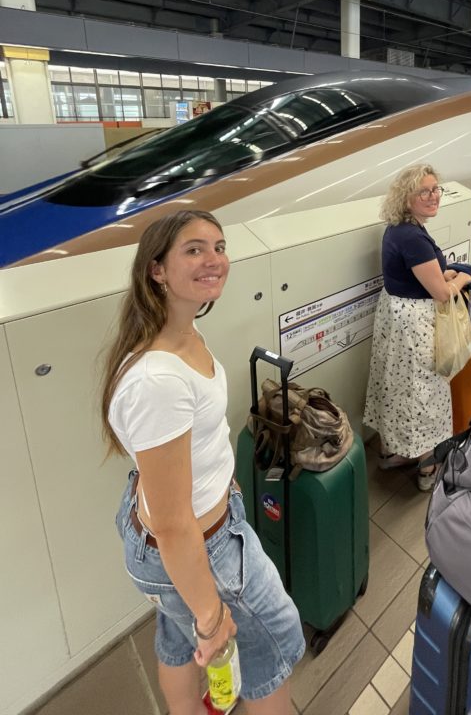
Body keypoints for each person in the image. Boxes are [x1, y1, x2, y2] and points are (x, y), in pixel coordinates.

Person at [102, 210, 304, 715]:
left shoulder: (179, 335)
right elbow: (175, 525)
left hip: (173, 540)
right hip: (200, 547)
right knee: (274, 640)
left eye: (219, 247)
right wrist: (212, 619)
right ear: (157, 269)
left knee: (177, 632)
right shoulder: (159, 381)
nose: (214, 259)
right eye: (194, 250)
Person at [363, 164, 471, 491]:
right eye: (423, 191)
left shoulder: (398, 228)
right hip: (415, 326)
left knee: (397, 388)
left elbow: (418, 275)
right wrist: (463, 278)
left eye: (436, 189)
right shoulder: (413, 237)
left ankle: (392, 453)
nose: (433, 196)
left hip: (397, 319)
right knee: (423, 390)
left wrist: (443, 274)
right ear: (406, 197)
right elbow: (440, 293)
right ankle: (428, 466)